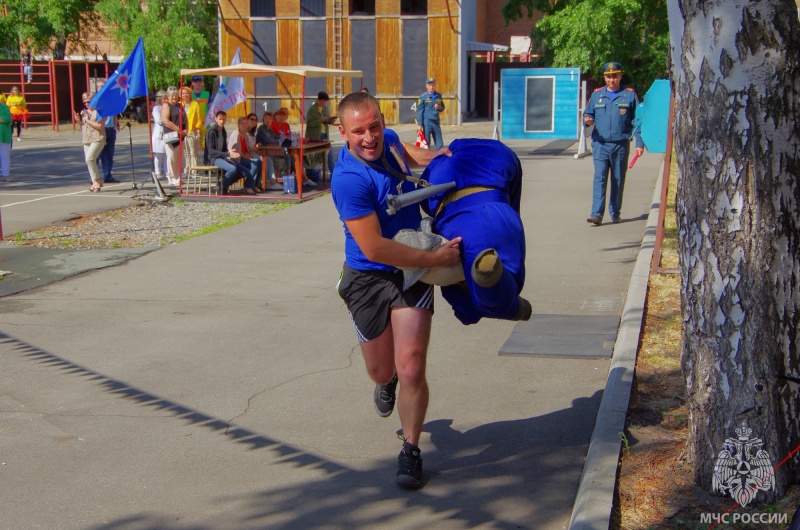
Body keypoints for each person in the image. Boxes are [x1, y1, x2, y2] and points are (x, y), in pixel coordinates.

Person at [331, 91, 461, 489]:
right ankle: (385, 382)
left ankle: (411, 450)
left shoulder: (385, 140)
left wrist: (441, 156)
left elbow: (410, 155)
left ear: (382, 122)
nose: (369, 137)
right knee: (383, 370)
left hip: (410, 272)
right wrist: (437, 260)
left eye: (374, 126)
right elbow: (375, 247)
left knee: (412, 367)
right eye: (358, 131)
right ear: (343, 133)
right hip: (369, 274)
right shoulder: (348, 179)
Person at [583, 61, 644, 226]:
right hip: (600, 144)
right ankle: (596, 214)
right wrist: (587, 121)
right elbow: (587, 115)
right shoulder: (597, 95)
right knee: (599, 178)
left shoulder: (629, 95)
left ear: (620, 76)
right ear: (605, 77)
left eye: (614, 76)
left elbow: (638, 121)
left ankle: (615, 212)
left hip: (620, 144)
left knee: (617, 179)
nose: (611, 80)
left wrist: (639, 142)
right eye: (608, 77)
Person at [204, 110, 250, 195]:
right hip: (213, 158)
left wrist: (229, 153)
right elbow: (211, 151)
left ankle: (222, 185)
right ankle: (223, 189)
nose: (222, 121)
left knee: (245, 171)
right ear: (216, 119)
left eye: (224, 119)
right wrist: (228, 154)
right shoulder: (211, 131)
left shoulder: (223, 131)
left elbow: (224, 148)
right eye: (220, 119)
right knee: (232, 169)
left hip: (222, 156)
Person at [74, 92, 106, 192]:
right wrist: (79, 120)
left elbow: (100, 126)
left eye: (89, 101)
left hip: (98, 138)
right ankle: (95, 182)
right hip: (87, 138)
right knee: (89, 161)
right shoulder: (84, 112)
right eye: (85, 102)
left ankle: (96, 181)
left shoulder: (100, 112)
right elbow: (83, 127)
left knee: (90, 159)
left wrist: (87, 120)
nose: (87, 104)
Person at [304, 90, 336, 180]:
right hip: (315, 136)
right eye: (323, 101)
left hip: (324, 135)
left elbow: (326, 120)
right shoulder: (312, 109)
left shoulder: (325, 108)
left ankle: (333, 174)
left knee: (330, 154)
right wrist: (320, 120)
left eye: (326, 101)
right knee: (317, 157)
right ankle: (315, 174)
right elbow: (309, 123)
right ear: (319, 100)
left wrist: (330, 120)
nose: (324, 103)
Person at [226, 116, 260, 195]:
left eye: (246, 123)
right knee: (253, 164)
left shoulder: (245, 135)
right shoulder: (236, 135)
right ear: (238, 125)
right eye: (242, 123)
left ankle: (254, 184)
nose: (244, 125)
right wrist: (248, 158)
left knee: (259, 162)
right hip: (235, 158)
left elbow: (246, 149)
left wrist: (249, 156)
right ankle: (248, 186)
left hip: (243, 156)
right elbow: (237, 152)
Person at [161, 86, 186, 186]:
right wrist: (178, 129)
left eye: (175, 95)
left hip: (181, 135)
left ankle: (178, 177)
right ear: (168, 96)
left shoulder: (180, 106)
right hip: (171, 135)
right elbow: (165, 121)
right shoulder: (166, 106)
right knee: (171, 157)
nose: (174, 97)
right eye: (172, 96)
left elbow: (185, 118)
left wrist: (185, 129)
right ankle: (171, 177)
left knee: (178, 157)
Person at [254, 112, 283, 191]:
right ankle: (271, 182)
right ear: (263, 119)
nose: (268, 120)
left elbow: (276, 137)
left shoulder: (270, 129)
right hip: (261, 152)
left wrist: (282, 138)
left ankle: (275, 181)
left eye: (270, 119)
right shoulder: (261, 129)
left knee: (287, 158)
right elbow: (268, 140)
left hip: (270, 151)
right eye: (266, 118)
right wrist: (280, 141)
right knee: (269, 159)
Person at [416, 77, 445, 150]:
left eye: (433, 85)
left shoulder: (438, 96)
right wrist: (420, 124)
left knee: (439, 143)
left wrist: (439, 108)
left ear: (435, 86)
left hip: (436, 121)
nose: (431, 87)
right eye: (430, 85)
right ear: (426, 86)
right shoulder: (423, 97)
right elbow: (420, 111)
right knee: (426, 143)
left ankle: (440, 158)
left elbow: (443, 108)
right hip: (427, 122)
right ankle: (427, 159)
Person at [182, 86, 202, 172]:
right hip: (182, 131)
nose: (185, 95)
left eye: (186, 93)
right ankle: (187, 168)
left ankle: (194, 170)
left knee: (193, 152)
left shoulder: (195, 104)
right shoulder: (180, 104)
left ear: (190, 94)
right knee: (185, 152)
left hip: (192, 131)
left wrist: (198, 131)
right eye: (183, 93)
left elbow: (199, 118)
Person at [98, 112, 120, 184]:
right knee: (97, 155)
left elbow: (115, 114)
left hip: (111, 129)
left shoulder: (112, 103)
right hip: (102, 129)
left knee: (109, 155)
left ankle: (107, 175)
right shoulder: (100, 103)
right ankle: (93, 177)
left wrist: (115, 125)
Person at [151, 91, 167, 179]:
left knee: (166, 155)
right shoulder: (156, 108)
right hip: (159, 134)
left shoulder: (168, 107)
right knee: (159, 154)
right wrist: (166, 120)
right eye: (164, 99)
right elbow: (159, 120)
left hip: (167, 133)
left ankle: (167, 172)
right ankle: (157, 172)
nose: (165, 100)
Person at [0, 94, 11, 181]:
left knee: (5, 156)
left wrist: (2, 119)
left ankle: (6, 174)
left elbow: (7, 119)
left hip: (4, 135)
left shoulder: (4, 107)